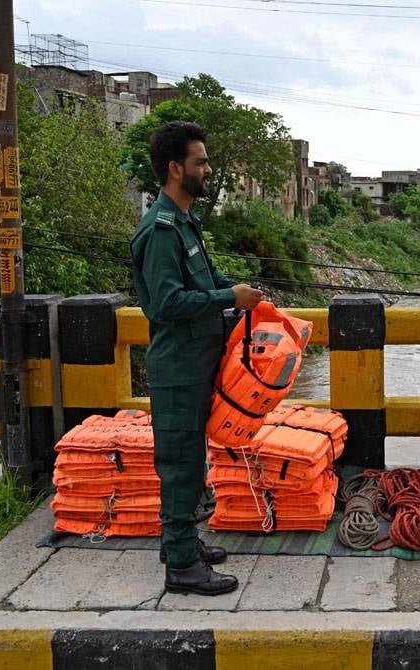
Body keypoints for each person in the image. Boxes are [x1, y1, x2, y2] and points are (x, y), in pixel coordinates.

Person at [130, 121, 263, 595]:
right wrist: (230, 295)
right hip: (178, 368)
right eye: (200, 162)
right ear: (174, 168)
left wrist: (240, 294)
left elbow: (205, 282)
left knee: (193, 458)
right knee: (181, 464)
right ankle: (183, 567)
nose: (208, 169)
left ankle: (179, 543)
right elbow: (166, 303)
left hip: (199, 362)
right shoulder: (161, 230)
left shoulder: (186, 221)